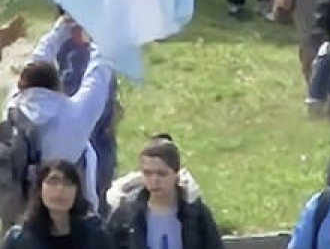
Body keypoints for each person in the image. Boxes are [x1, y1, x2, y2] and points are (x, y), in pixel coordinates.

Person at [9, 19, 114, 197]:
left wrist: (60, 29)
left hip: (19, 208)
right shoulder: (75, 115)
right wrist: (102, 40)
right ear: (58, 85)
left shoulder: (13, 107)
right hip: (68, 206)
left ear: (22, 85)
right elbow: (98, 76)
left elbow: (37, 60)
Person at [104, 136, 225, 249]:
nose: (154, 180)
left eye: (162, 174)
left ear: (176, 174)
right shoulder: (126, 214)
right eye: (147, 173)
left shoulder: (196, 214)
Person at [4, 162, 112, 249]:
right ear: (39, 189)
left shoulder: (94, 233)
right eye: (52, 182)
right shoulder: (19, 239)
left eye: (68, 183)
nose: (60, 189)